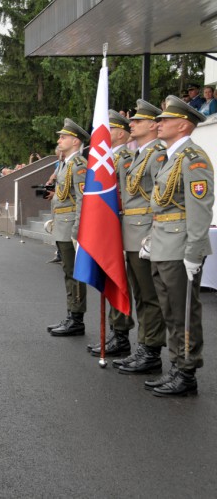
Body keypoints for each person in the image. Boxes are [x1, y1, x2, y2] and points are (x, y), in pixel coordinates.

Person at [145, 95, 213, 397]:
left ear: (183, 125)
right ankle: (175, 365)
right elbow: (161, 203)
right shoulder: (171, 157)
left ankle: (187, 372)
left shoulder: (193, 159)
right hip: (163, 243)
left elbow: (201, 208)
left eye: (164, 119)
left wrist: (195, 251)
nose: (158, 124)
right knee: (170, 310)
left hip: (180, 246)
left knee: (185, 311)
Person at [108, 100, 168, 374]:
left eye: (138, 121)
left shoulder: (157, 155)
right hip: (132, 232)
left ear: (154, 125)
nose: (131, 124)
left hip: (144, 233)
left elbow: (162, 199)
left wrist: (155, 234)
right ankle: (143, 346)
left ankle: (150, 350)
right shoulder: (140, 156)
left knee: (149, 296)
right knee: (141, 295)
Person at [88, 110, 136, 358]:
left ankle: (121, 335)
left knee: (119, 279)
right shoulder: (105, 158)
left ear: (119, 133)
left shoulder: (126, 158)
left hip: (122, 227)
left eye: (108, 130)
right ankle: (117, 333)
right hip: (109, 228)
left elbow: (126, 196)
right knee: (110, 278)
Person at [46, 118, 89, 337]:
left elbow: (82, 199)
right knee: (68, 272)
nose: (59, 140)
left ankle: (76, 318)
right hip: (62, 224)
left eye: (63, 137)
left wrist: (77, 230)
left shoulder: (79, 165)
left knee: (74, 273)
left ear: (75, 141)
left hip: (71, 225)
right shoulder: (66, 164)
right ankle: (71, 314)